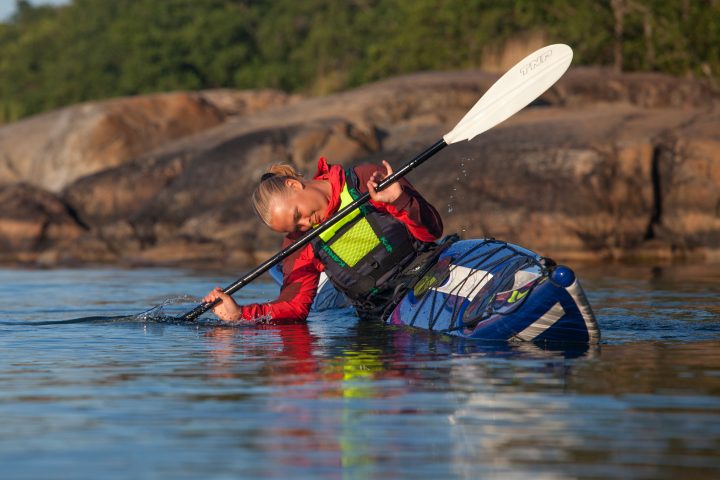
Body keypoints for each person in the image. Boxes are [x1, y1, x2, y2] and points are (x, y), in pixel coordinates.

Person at [203, 157, 443, 323]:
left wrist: (400, 200)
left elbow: (432, 232)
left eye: (298, 215)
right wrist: (240, 314)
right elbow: (294, 307)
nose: (306, 225)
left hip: (427, 268)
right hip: (383, 310)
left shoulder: (364, 180)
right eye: (296, 227)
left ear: (294, 185)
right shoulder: (299, 243)